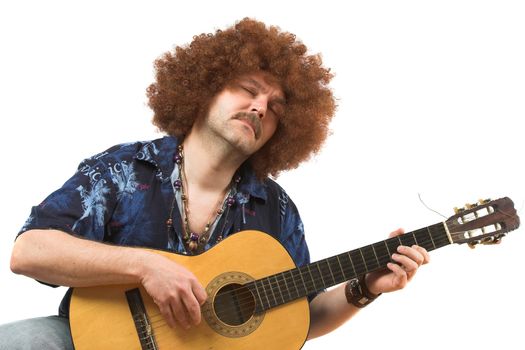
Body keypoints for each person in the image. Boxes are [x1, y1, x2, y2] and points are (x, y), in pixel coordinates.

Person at [2, 18, 429, 349]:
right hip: (87, 340)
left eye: (276, 107)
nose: (260, 107)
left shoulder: (276, 210)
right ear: (204, 89)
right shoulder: (124, 169)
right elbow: (30, 251)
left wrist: (364, 287)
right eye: (248, 89)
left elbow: (303, 313)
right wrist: (145, 266)